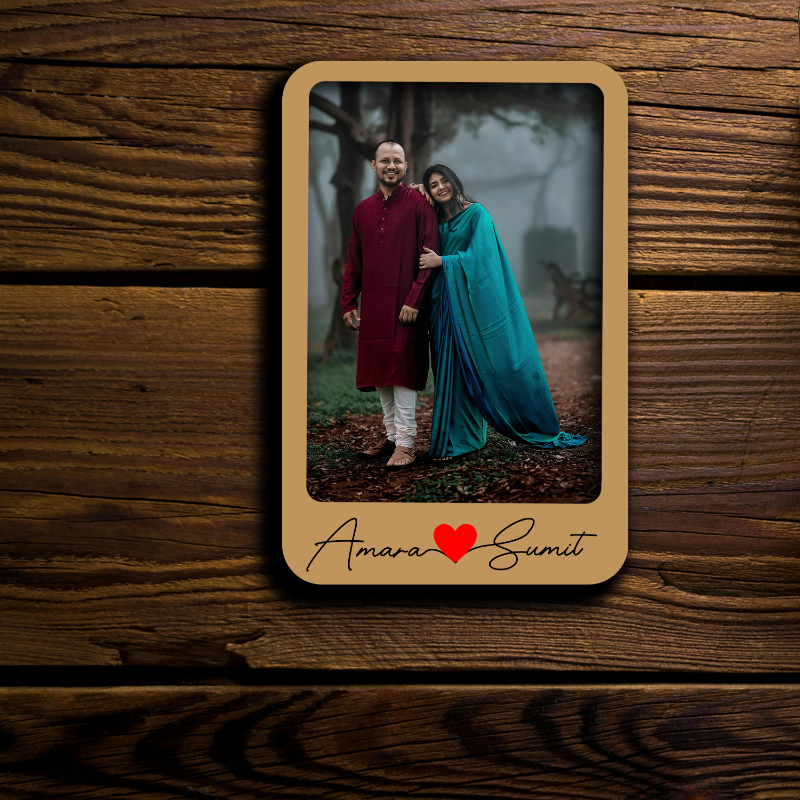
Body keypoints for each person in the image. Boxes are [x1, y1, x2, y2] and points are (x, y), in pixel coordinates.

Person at [414, 164, 587, 460]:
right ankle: (461, 436)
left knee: (476, 365)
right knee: (448, 370)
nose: (440, 187)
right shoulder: (434, 218)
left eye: (445, 181)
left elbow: (483, 257)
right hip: (442, 304)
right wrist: (415, 192)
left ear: (455, 182)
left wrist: (444, 262)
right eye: (433, 185)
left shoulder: (477, 214)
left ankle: (475, 437)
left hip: (466, 303)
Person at [340, 141, 441, 468]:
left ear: (406, 166)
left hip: (406, 305)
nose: (391, 166)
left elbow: (429, 257)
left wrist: (415, 300)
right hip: (374, 304)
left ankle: (407, 444)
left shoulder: (419, 203)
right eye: (385, 160)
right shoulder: (363, 210)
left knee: (402, 370)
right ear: (374, 165)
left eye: (397, 161)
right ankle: (391, 436)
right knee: (381, 371)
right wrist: (347, 301)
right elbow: (354, 260)